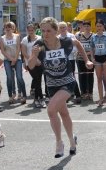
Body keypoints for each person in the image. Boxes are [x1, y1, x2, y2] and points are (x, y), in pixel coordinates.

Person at [28, 17, 93, 158]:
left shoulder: (66, 41)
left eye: (49, 31)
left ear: (56, 31)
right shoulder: (39, 44)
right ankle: (72, 140)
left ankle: (58, 142)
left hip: (67, 81)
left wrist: (87, 60)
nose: (45, 34)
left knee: (51, 110)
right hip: (51, 84)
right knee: (63, 113)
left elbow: (78, 44)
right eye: (43, 30)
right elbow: (31, 66)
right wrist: (33, 55)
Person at [0, 21, 27, 104]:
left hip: (17, 58)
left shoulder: (17, 36)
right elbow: (3, 50)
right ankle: (11, 95)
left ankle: (22, 94)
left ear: (13, 29)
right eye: (6, 28)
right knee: (9, 78)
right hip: (7, 60)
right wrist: (11, 59)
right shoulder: (2, 38)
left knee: (19, 77)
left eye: (9, 27)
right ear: (4, 29)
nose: (8, 29)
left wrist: (15, 59)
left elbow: (18, 48)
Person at [91, 19, 106, 107]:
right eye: (97, 26)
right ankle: (101, 99)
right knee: (99, 79)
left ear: (103, 26)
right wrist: (92, 58)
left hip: (105, 58)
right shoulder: (93, 36)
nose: (99, 28)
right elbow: (92, 48)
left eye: (100, 26)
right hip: (97, 59)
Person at [21, 23, 44, 108]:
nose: (30, 32)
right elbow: (24, 52)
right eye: (29, 30)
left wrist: (38, 60)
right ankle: (40, 98)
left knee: (38, 80)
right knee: (36, 79)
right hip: (30, 63)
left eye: (32, 30)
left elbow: (42, 50)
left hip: (39, 62)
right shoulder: (24, 39)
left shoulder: (40, 38)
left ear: (35, 30)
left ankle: (38, 99)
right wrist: (32, 59)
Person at [58, 21, 82, 104]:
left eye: (63, 27)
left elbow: (76, 47)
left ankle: (78, 95)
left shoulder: (71, 36)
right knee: (63, 78)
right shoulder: (58, 37)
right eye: (60, 27)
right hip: (62, 60)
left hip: (70, 59)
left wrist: (69, 52)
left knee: (72, 77)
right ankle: (67, 96)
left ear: (66, 28)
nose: (62, 29)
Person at [75, 20, 94, 100]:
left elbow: (94, 46)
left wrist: (89, 53)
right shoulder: (78, 35)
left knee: (90, 75)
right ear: (82, 27)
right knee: (81, 75)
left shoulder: (93, 36)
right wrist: (83, 53)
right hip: (80, 58)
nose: (86, 28)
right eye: (85, 26)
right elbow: (76, 46)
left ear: (90, 27)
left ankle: (90, 92)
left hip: (90, 59)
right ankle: (83, 92)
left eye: (88, 26)